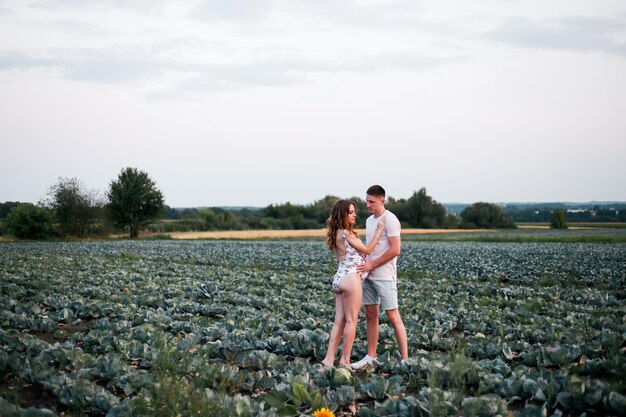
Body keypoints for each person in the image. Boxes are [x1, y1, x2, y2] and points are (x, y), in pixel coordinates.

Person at [320, 199, 385, 370]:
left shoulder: (336, 233)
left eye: (354, 211)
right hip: (350, 278)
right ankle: (345, 361)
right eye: (351, 212)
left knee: (338, 321)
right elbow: (368, 250)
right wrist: (378, 232)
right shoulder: (347, 233)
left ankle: (328, 359)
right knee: (351, 321)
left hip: (339, 277)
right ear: (343, 214)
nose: (354, 215)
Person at [352, 185, 409, 369]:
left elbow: (395, 250)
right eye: (366, 201)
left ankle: (405, 360)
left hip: (385, 275)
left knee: (393, 316)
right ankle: (371, 356)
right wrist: (364, 266)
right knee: (370, 314)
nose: (368, 205)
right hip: (368, 274)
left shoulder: (390, 219)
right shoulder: (370, 221)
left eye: (372, 202)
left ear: (382, 200)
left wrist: (372, 264)